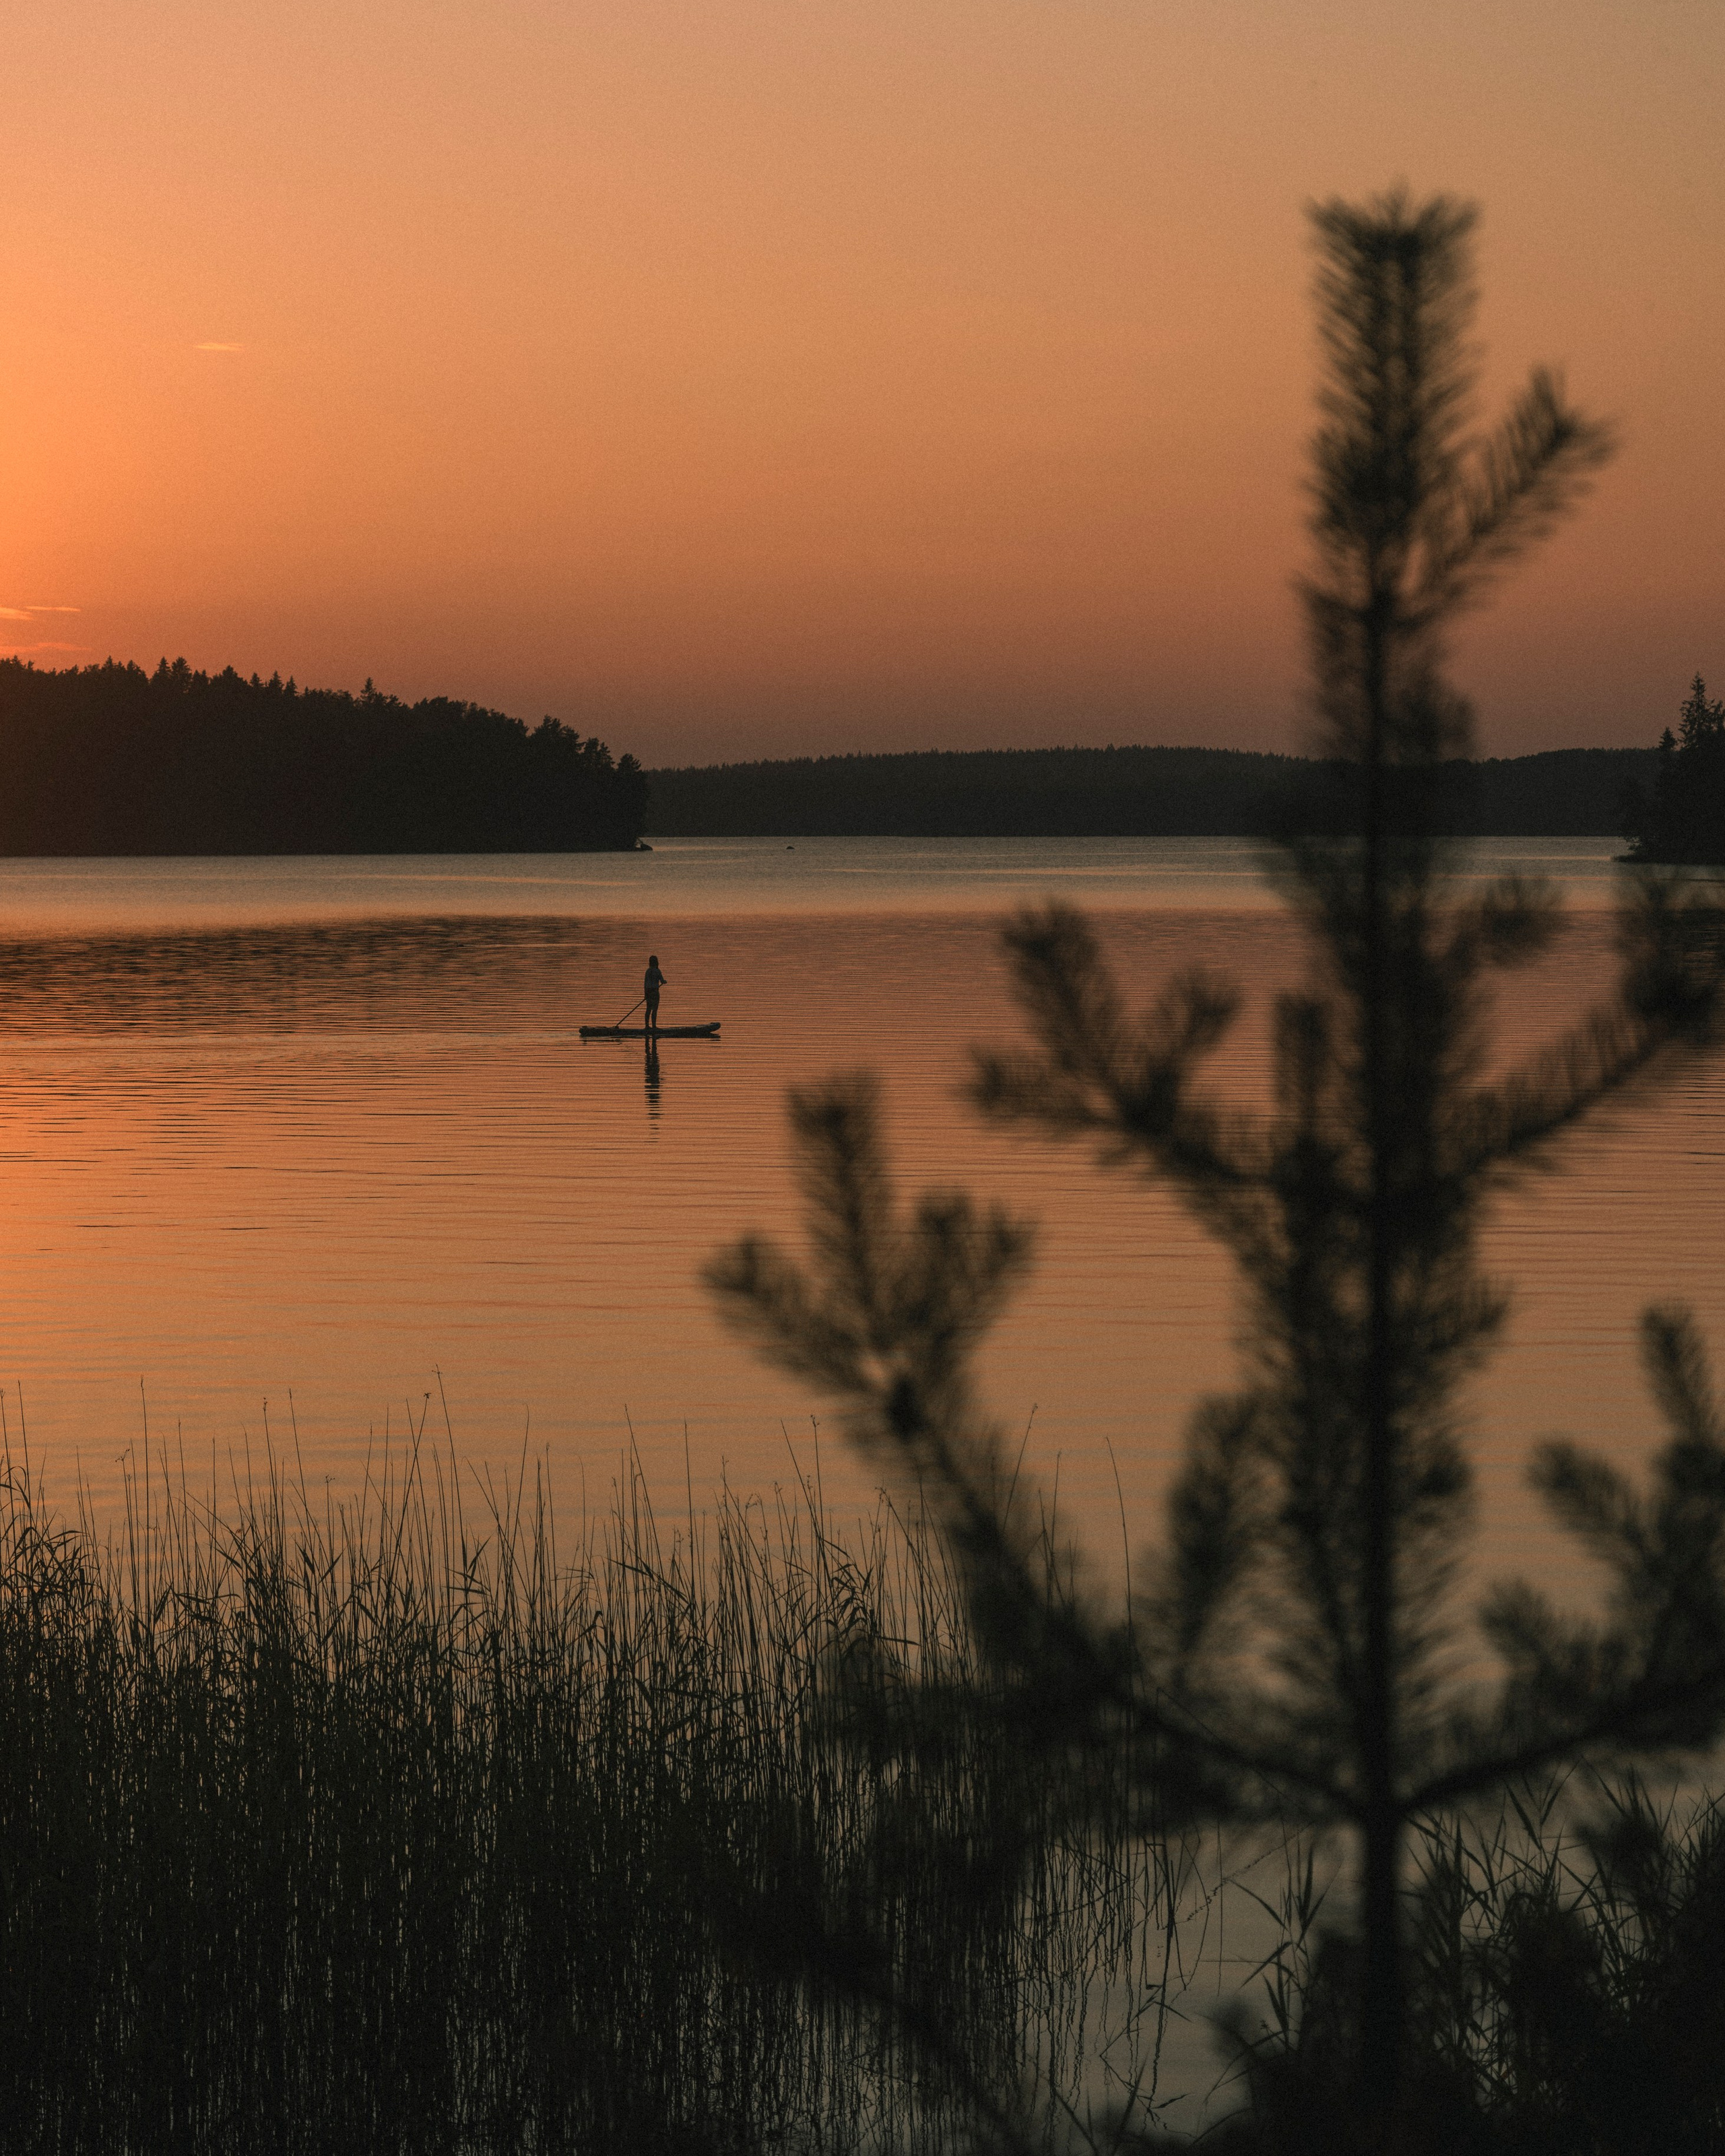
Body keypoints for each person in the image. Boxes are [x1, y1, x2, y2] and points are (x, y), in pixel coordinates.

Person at [643, 953, 668, 1034]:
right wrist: (665, 982)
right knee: (655, 1009)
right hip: (655, 992)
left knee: (648, 1009)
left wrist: (645, 994)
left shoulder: (648, 971)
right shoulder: (657, 971)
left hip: (648, 992)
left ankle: (647, 1026)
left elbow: (645, 983)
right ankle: (654, 1027)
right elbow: (662, 981)